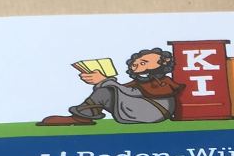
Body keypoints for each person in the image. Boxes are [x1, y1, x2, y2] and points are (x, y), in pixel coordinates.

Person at [38, 48, 185, 126]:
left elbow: (133, 92)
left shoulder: (161, 81)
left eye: (144, 63)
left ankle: (81, 118)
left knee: (106, 92)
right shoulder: (141, 80)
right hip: (145, 109)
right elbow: (126, 89)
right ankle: (83, 117)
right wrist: (107, 81)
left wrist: (106, 81)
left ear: (163, 63)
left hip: (154, 111)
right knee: (107, 91)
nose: (137, 65)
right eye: (135, 63)